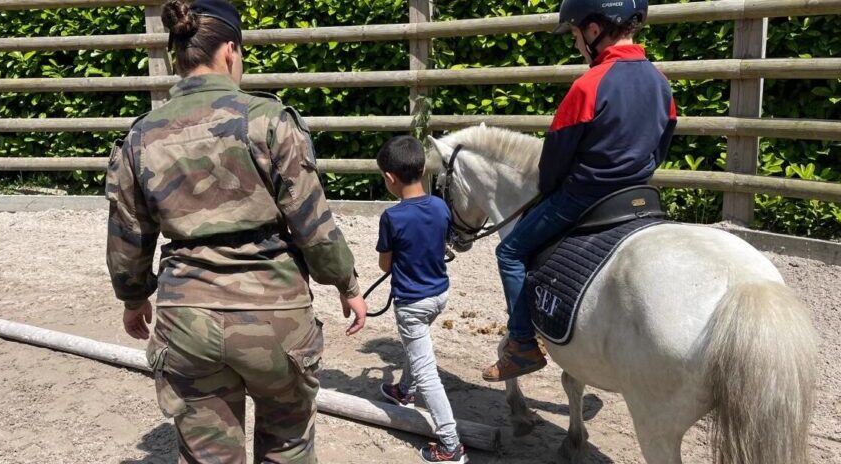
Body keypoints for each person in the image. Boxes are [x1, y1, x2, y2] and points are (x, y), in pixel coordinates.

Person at [104, 0, 368, 462]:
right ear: (230, 50)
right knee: (288, 446)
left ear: (177, 57)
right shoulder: (269, 121)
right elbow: (313, 222)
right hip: (277, 320)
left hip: (188, 318)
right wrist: (346, 284)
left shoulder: (140, 137)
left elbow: (129, 234)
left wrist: (133, 298)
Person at [482, 0, 676, 382]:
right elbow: (662, 145)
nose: (575, 45)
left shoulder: (589, 84)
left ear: (593, 30)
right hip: (637, 193)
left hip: (585, 194)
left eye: (574, 35)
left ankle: (521, 345)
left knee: (509, 251)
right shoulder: (660, 81)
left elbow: (555, 157)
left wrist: (550, 190)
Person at [373, 136, 467, 463]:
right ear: (423, 168)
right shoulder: (441, 206)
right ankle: (404, 390)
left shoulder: (392, 217)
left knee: (427, 369)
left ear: (389, 178)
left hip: (411, 303)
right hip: (439, 294)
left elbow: (385, 264)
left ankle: (450, 444)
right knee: (418, 344)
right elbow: (439, 245)